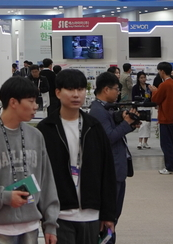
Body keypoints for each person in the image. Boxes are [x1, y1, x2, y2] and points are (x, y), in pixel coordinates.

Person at [0, 76, 59, 244]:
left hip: (30, 228)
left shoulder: (36, 136)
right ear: (13, 102)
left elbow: (46, 182)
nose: (35, 106)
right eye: (31, 101)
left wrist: (50, 224)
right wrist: (4, 196)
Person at [38, 69, 116, 244]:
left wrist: (109, 214)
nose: (76, 94)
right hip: (59, 213)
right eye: (70, 89)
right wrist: (44, 215)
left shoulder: (94, 127)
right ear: (58, 92)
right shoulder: (46, 129)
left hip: (91, 213)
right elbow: (39, 173)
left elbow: (108, 172)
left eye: (80, 89)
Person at [89, 72, 136, 242]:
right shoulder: (97, 111)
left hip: (117, 170)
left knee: (114, 214)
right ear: (106, 89)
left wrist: (129, 124)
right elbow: (108, 137)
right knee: (109, 216)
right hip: (112, 172)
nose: (118, 92)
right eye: (116, 89)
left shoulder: (105, 108)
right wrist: (126, 124)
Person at [149, 62, 173, 175]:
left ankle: (170, 167)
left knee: (166, 144)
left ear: (162, 71)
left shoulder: (164, 85)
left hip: (165, 117)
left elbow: (156, 99)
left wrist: (154, 91)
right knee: (172, 143)